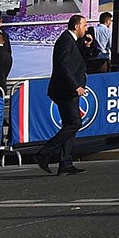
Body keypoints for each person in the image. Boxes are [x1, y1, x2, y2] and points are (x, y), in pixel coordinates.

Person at [38, 14, 90, 176]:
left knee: (70, 125)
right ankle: (44, 152)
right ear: (76, 26)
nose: (86, 28)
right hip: (66, 90)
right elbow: (64, 66)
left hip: (67, 89)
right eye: (84, 25)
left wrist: (86, 45)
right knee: (74, 123)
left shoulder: (72, 40)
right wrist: (76, 86)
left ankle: (65, 162)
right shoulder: (66, 40)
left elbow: (77, 60)